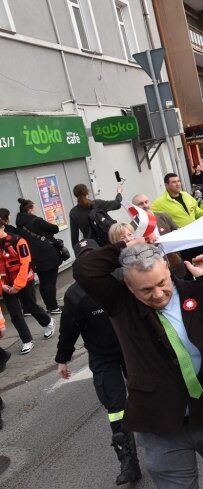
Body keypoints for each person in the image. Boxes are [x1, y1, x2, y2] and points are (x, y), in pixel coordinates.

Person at [73, 240, 203, 488]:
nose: (157, 295)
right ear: (129, 287)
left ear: (167, 268)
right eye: (146, 290)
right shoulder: (120, 303)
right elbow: (84, 269)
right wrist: (124, 246)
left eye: (162, 283)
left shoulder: (196, 291)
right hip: (158, 421)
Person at [55, 238, 141, 485]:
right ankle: (128, 460)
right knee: (116, 407)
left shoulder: (120, 279)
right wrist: (62, 359)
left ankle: (170, 430)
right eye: (84, 258)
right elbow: (68, 329)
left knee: (150, 388)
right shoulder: (75, 295)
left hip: (131, 347)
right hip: (103, 356)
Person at [0, 208, 55, 354]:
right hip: (6, 284)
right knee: (15, 314)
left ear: (3, 226)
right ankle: (26, 340)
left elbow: (25, 264)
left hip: (24, 280)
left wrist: (17, 285)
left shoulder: (18, 241)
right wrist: (3, 286)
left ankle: (48, 322)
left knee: (30, 306)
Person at [15, 198, 63, 315]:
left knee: (43, 282)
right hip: (48, 255)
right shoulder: (36, 221)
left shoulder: (19, 225)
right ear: (30, 210)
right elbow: (54, 229)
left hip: (34, 258)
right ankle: (53, 307)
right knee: (50, 282)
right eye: (33, 208)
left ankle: (49, 305)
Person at [69, 183, 123, 248]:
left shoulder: (73, 212)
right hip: (108, 242)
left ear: (76, 195)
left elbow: (74, 236)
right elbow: (117, 204)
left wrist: (78, 251)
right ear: (87, 192)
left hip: (92, 247)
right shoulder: (97, 204)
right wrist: (119, 192)